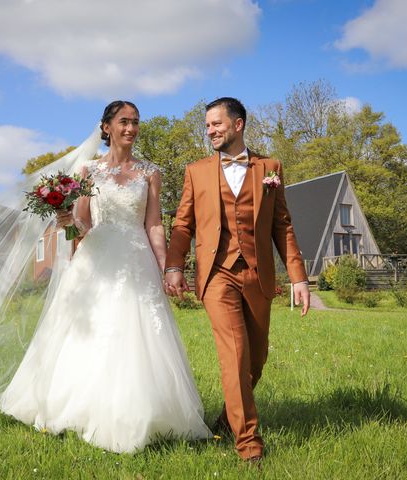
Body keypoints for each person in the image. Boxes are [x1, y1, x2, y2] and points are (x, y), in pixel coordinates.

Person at [0, 101, 210, 454]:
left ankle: (146, 411)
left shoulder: (150, 172)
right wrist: (65, 218)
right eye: (124, 122)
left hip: (136, 257)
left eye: (135, 122)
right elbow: (83, 223)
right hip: (96, 257)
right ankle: (77, 407)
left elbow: (154, 223)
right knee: (89, 330)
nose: (131, 128)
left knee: (139, 329)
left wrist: (166, 267)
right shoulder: (88, 171)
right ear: (106, 127)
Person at [164, 97, 310, 463]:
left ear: (239, 124)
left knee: (255, 359)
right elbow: (183, 224)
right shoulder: (195, 171)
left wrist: (298, 277)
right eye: (208, 126)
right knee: (235, 353)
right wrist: (174, 265)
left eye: (216, 124)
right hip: (216, 274)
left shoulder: (270, 168)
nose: (210, 131)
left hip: (258, 275)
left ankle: (230, 418)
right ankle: (249, 446)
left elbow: (283, 225)